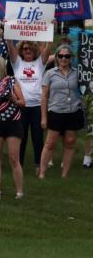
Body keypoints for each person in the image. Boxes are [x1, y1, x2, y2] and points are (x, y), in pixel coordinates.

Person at [39, 45, 85, 179]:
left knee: (70, 142)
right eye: (61, 56)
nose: (64, 58)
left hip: (73, 111)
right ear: (57, 57)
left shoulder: (78, 73)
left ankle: (64, 174)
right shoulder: (50, 74)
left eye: (67, 56)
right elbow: (44, 96)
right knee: (50, 143)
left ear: (71, 58)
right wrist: (43, 117)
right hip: (56, 111)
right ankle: (42, 172)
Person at [0, 56, 25, 198]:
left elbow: (22, 102)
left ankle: (19, 191)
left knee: (14, 157)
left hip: (13, 121)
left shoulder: (11, 80)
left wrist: (14, 99)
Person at [6, 39, 48, 174]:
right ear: (21, 51)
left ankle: (38, 165)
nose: (28, 50)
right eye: (25, 49)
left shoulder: (39, 63)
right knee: (20, 137)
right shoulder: (17, 63)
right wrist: (8, 37)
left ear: (35, 50)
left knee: (37, 137)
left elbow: (48, 48)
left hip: (37, 106)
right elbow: (10, 46)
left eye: (30, 48)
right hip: (21, 105)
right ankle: (19, 165)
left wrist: (50, 30)